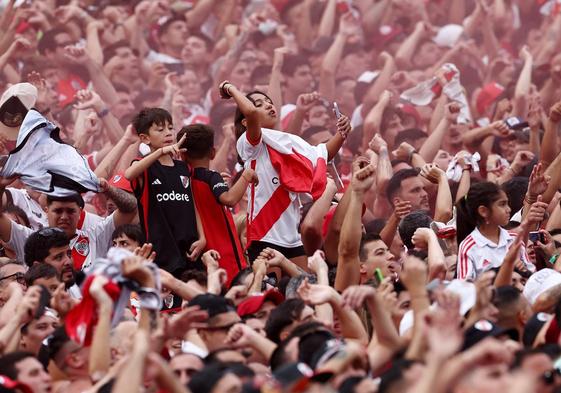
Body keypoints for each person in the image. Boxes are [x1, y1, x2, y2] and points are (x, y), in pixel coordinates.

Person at [221, 81, 348, 267]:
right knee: (273, 294)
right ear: (245, 122)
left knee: (301, 290)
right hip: (265, 236)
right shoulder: (251, 144)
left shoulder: (290, 142)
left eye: (268, 101)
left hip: (293, 238)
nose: (268, 105)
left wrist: (342, 132)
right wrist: (230, 89)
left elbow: (322, 154)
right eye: (259, 104)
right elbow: (251, 113)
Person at [125, 107, 205, 274]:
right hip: (161, 252)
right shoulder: (143, 168)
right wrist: (160, 152)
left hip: (191, 249)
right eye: (160, 129)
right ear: (145, 138)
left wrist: (202, 237)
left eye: (170, 127)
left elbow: (194, 206)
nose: (168, 133)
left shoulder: (184, 168)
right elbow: (129, 174)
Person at [178, 123, 254, 283]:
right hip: (226, 260)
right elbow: (230, 199)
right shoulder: (210, 177)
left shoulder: (179, 183)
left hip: (199, 260)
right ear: (213, 153)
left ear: (182, 155)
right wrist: (246, 177)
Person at [456, 182, 536, 280]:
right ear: (483, 211)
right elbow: (465, 288)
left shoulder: (514, 238)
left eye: (507, 204)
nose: (509, 209)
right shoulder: (468, 246)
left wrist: (523, 271)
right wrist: (506, 268)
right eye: (502, 204)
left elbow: (533, 278)